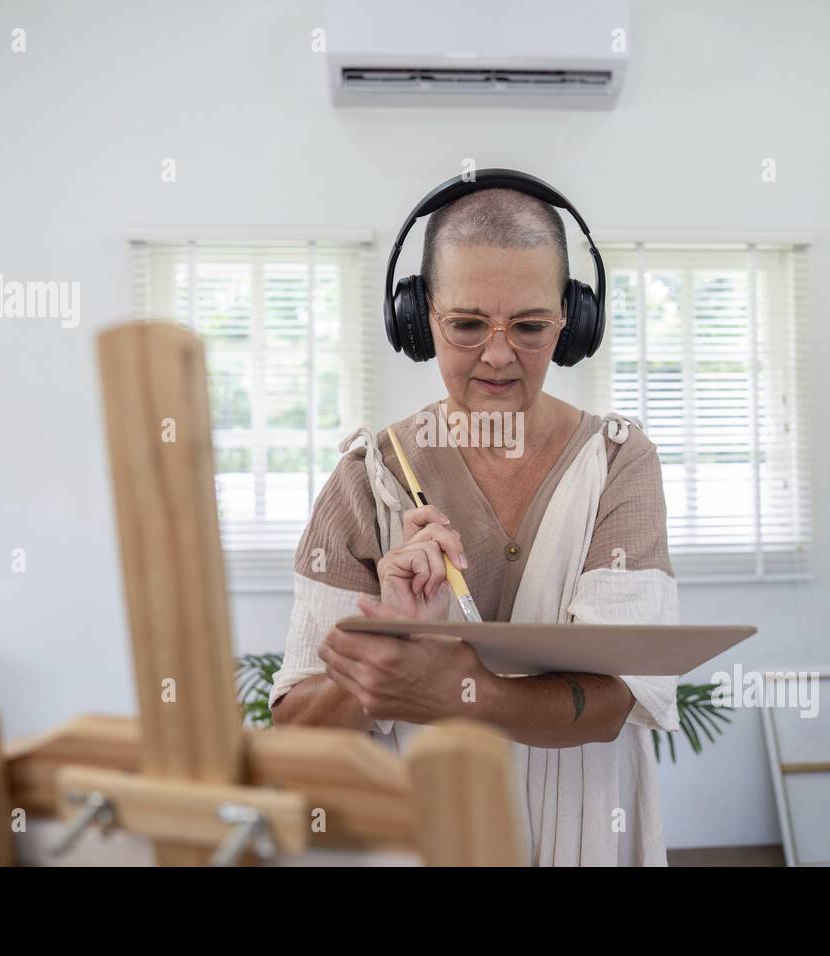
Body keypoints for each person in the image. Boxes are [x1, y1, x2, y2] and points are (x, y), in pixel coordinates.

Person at [269, 175, 679, 866]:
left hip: (584, 829)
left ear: (572, 323)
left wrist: (453, 690)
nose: (497, 355)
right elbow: (295, 733)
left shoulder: (618, 460)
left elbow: (617, 700)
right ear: (418, 319)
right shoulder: (368, 477)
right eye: (465, 325)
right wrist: (380, 656)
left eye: (528, 326)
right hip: (428, 835)